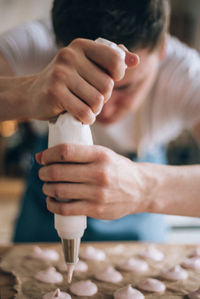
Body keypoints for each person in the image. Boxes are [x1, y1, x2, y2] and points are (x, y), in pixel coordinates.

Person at [0, 0, 200, 243]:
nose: (101, 109)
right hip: (41, 219)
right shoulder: (31, 44)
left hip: (141, 227)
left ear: (161, 50)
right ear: (56, 43)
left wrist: (143, 188)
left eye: (126, 87)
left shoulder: (186, 74)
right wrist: (24, 91)